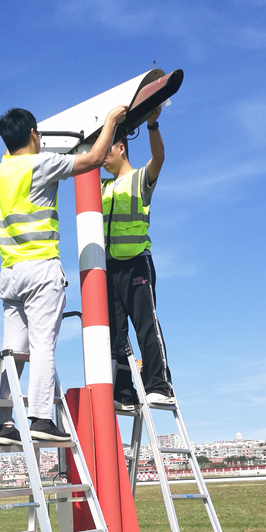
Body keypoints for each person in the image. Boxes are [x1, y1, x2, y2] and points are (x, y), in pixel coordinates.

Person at [0, 104, 128, 446]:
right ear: (34, 135)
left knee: (13, 351)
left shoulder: (1, 171)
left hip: (10, 273)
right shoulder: (41, 163)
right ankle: (40, 418)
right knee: (42, 347)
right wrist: (110, 119)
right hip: (40, 270)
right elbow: (94, 159)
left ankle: (2, 420)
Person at [102, 106, 175, 409]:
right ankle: (124, 392)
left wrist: (152, 125)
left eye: (106, 149)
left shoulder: (139, 178)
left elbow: (158, 159)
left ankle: (159, 384)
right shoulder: (102, 188)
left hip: (136, 262)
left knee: (146, 325)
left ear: (121, 148)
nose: (101, 156)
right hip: (109, 267)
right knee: (115, 332)